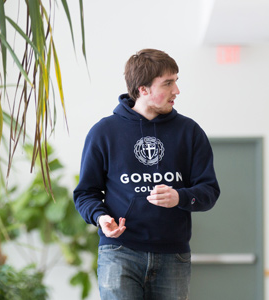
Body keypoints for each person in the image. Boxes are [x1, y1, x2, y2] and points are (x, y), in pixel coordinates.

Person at [73, 48, 220, 300]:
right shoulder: (103, 132)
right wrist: (100, 218)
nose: (177, 91)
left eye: (176, 81)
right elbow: (85, 193)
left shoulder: (190, 132)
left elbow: (209, 191)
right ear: (143, 89)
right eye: (168, 83)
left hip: (173, 255)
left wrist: (180, 198)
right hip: (119, 252)